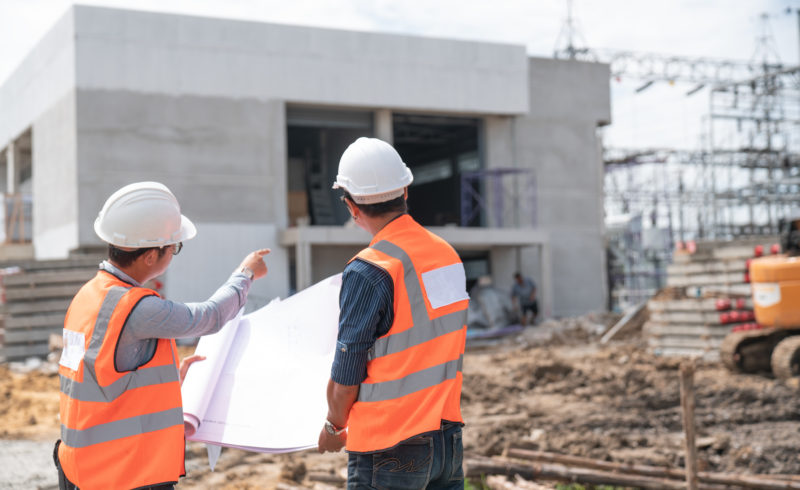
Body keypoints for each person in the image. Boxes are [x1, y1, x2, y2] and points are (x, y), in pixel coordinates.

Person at [53, 182, 270, 490]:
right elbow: (209, 316)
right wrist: (245, 274)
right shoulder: (136, 308)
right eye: (173, 247)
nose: (174, 253)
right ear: (150, 256)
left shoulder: (88, 296)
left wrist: (165, 379)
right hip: (125, 474)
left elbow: (99, 375)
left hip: (83, 469)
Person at [317, 137, 470, 489]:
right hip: (446, 440)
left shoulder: (369, 270)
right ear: (405, 191)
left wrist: (333, 427)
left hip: (389, 446)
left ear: (351, 207)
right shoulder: (446, 255)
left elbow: (347, 374)